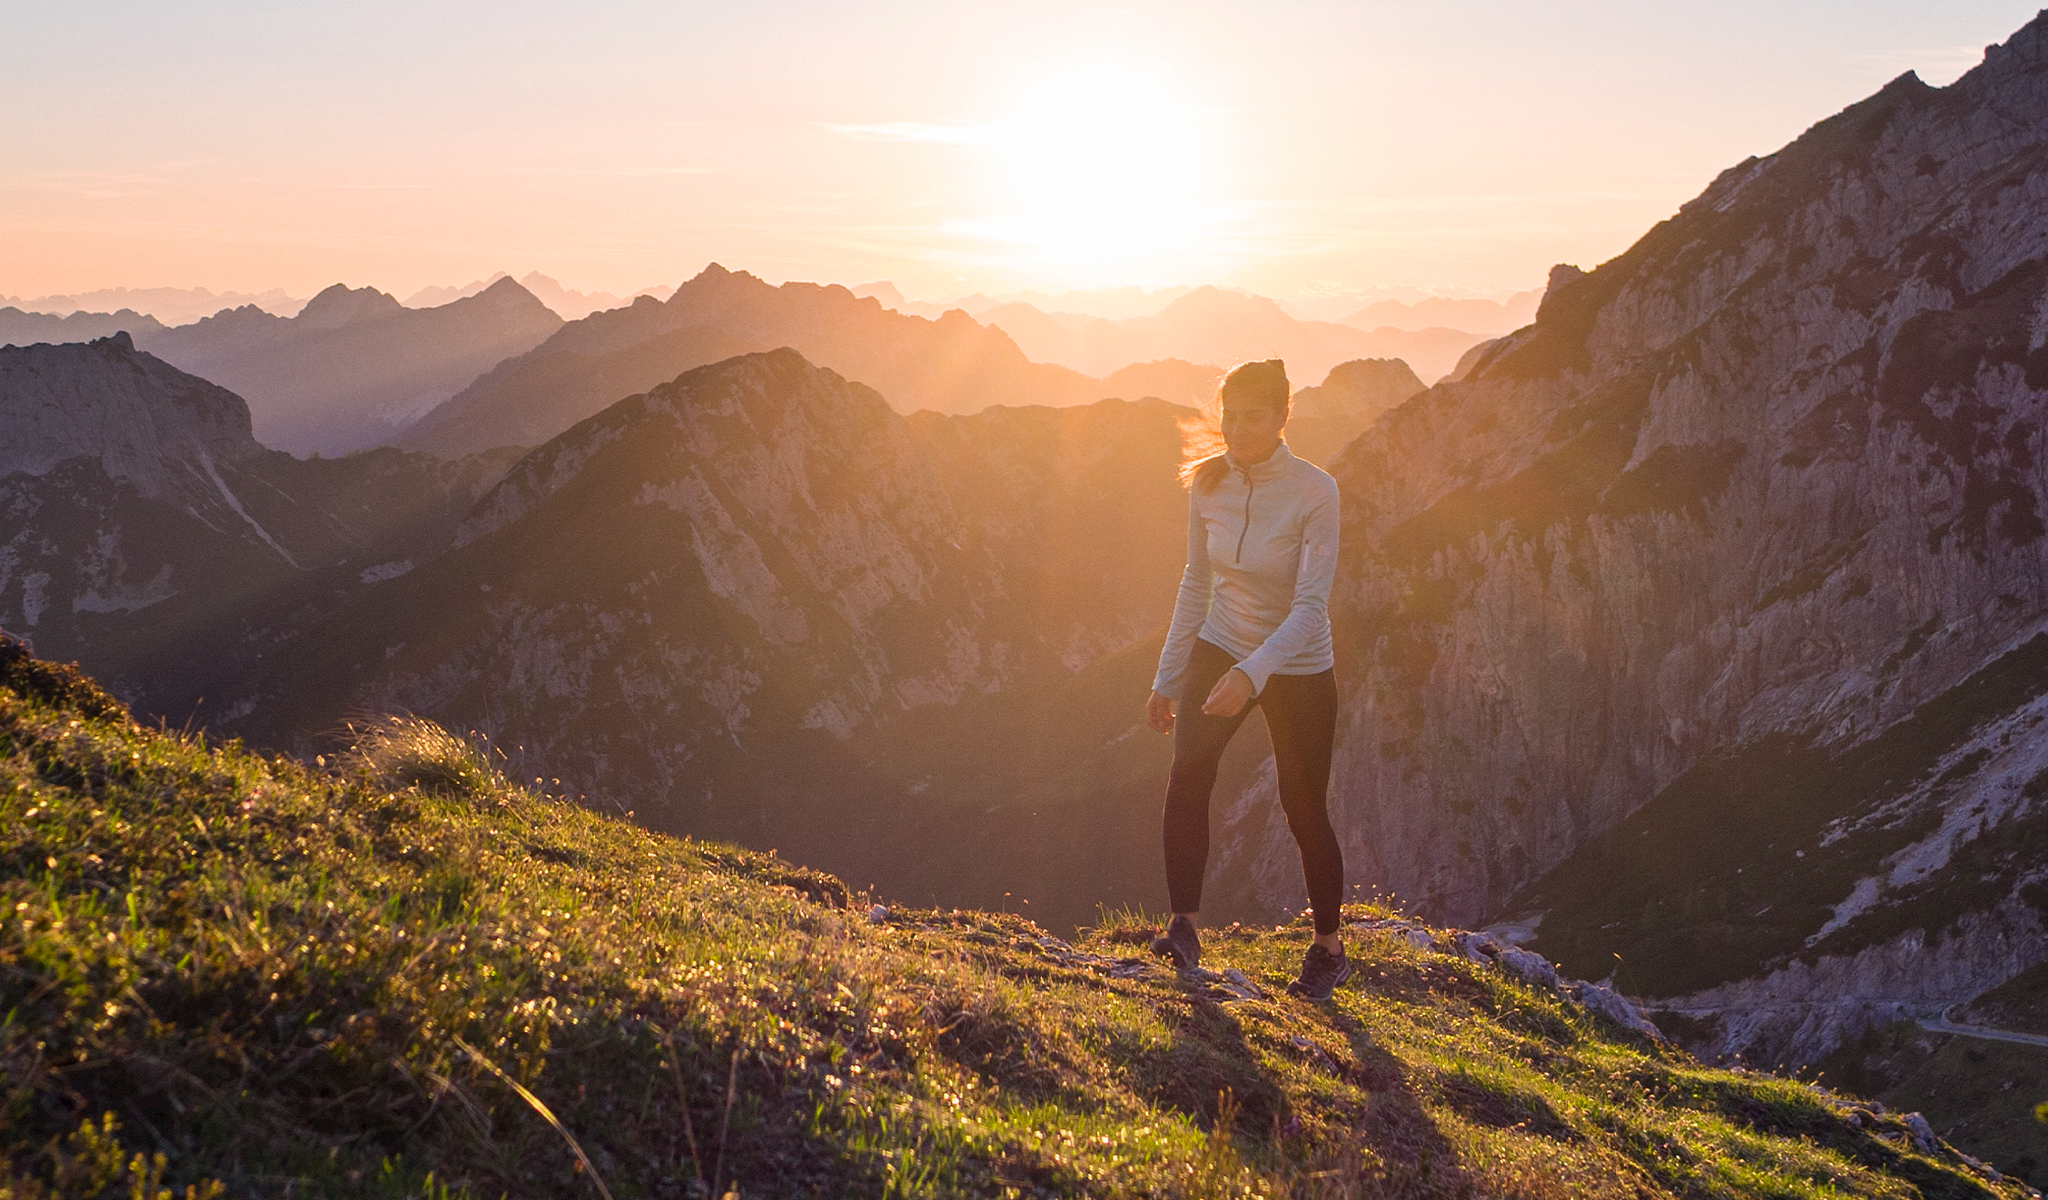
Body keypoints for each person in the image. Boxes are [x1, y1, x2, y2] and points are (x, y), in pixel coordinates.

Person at [1145, 358, 1349, 1000]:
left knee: (1303, 805)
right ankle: (1183, 927)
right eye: (1228, 416)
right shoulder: (1207, 485)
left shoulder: (1317, 491)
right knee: (1188, 778)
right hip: (1222, 641)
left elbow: (1311, 606)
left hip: (1296, 662)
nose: (1236, 429)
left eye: (1252, 417)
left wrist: (1252, 674)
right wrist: (1168, 675)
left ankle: (1328, 947)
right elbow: (1195, 581)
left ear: (1283, 417)